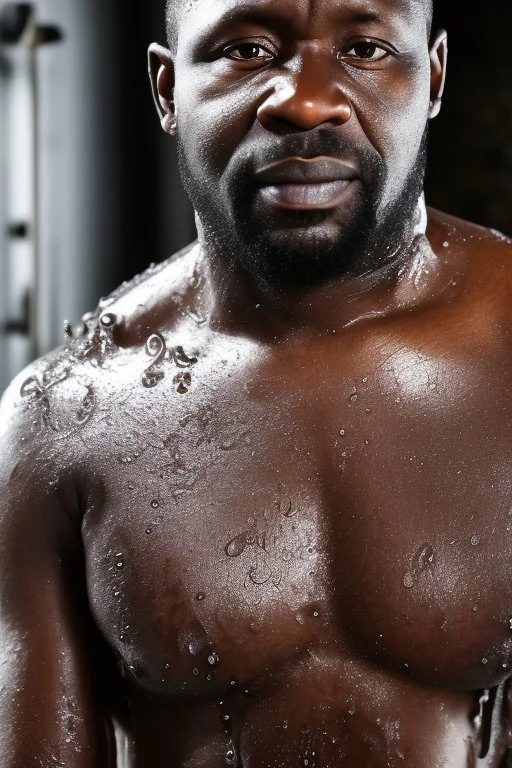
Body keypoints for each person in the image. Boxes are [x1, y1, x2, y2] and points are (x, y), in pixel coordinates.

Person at [1, 0, 512, 764]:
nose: (306, 100)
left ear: (431, 75)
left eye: (366, 48)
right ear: (168, 90)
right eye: (245, 50)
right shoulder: (62, 419)